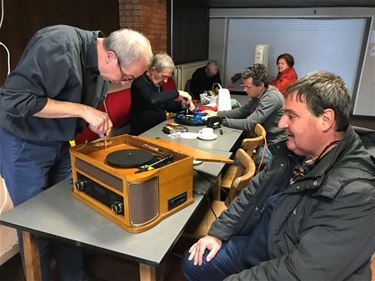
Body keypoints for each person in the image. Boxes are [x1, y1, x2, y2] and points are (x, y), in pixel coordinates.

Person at [181, 71, 375, 281]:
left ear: (326, 120)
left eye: (291, 116)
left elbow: (300, 273)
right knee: (195, 262)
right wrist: (217, 233)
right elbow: (252, 193)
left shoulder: (358, 194)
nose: (282, 124)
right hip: (269, 240)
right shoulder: (296, 152)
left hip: (287, 260)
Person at [0, 25, 153, 281]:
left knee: (72, 212)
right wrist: (83, 111)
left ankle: (75, 277)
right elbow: (14, 100)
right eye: (126, 77)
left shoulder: (101, 62)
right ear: (110, 57)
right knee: (36, 223)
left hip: (59, 142)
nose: (124, 83)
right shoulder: (57, 45)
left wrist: (93, 121)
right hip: (25, 143)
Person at [204, 63, 286, 164]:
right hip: (262, 140)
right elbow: (243, 111)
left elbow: (248, 124)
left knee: (235, 161)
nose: (244, 90)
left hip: (273, 145)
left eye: (248, 87)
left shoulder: (271, 98)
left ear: (260, 85)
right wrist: (216, 114)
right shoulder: (260, 93)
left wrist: (221, 121)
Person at [130, 53, 194, 135]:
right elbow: (152, 99)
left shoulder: (156, 82)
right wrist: (178, 93)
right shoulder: (139, 82)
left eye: (168, 77)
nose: (166, 81)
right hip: (144, 132)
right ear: (153, 70)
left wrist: (183, 105)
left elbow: (165, 104)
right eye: (164, 76)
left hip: (159, 127)